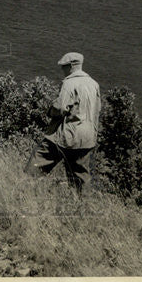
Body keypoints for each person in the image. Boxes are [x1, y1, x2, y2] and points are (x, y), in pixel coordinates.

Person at [29, 52, 101, 192]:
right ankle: (83, 207)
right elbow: (97, 111)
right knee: (80, 179)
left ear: (71, 66)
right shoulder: (94, 84)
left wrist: (50, 111)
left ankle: (23, 193)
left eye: (64, 67)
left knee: (35, 165)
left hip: (67, 136)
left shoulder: (69, 83)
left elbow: (60, 108)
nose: (62, 70)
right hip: (87, 138)